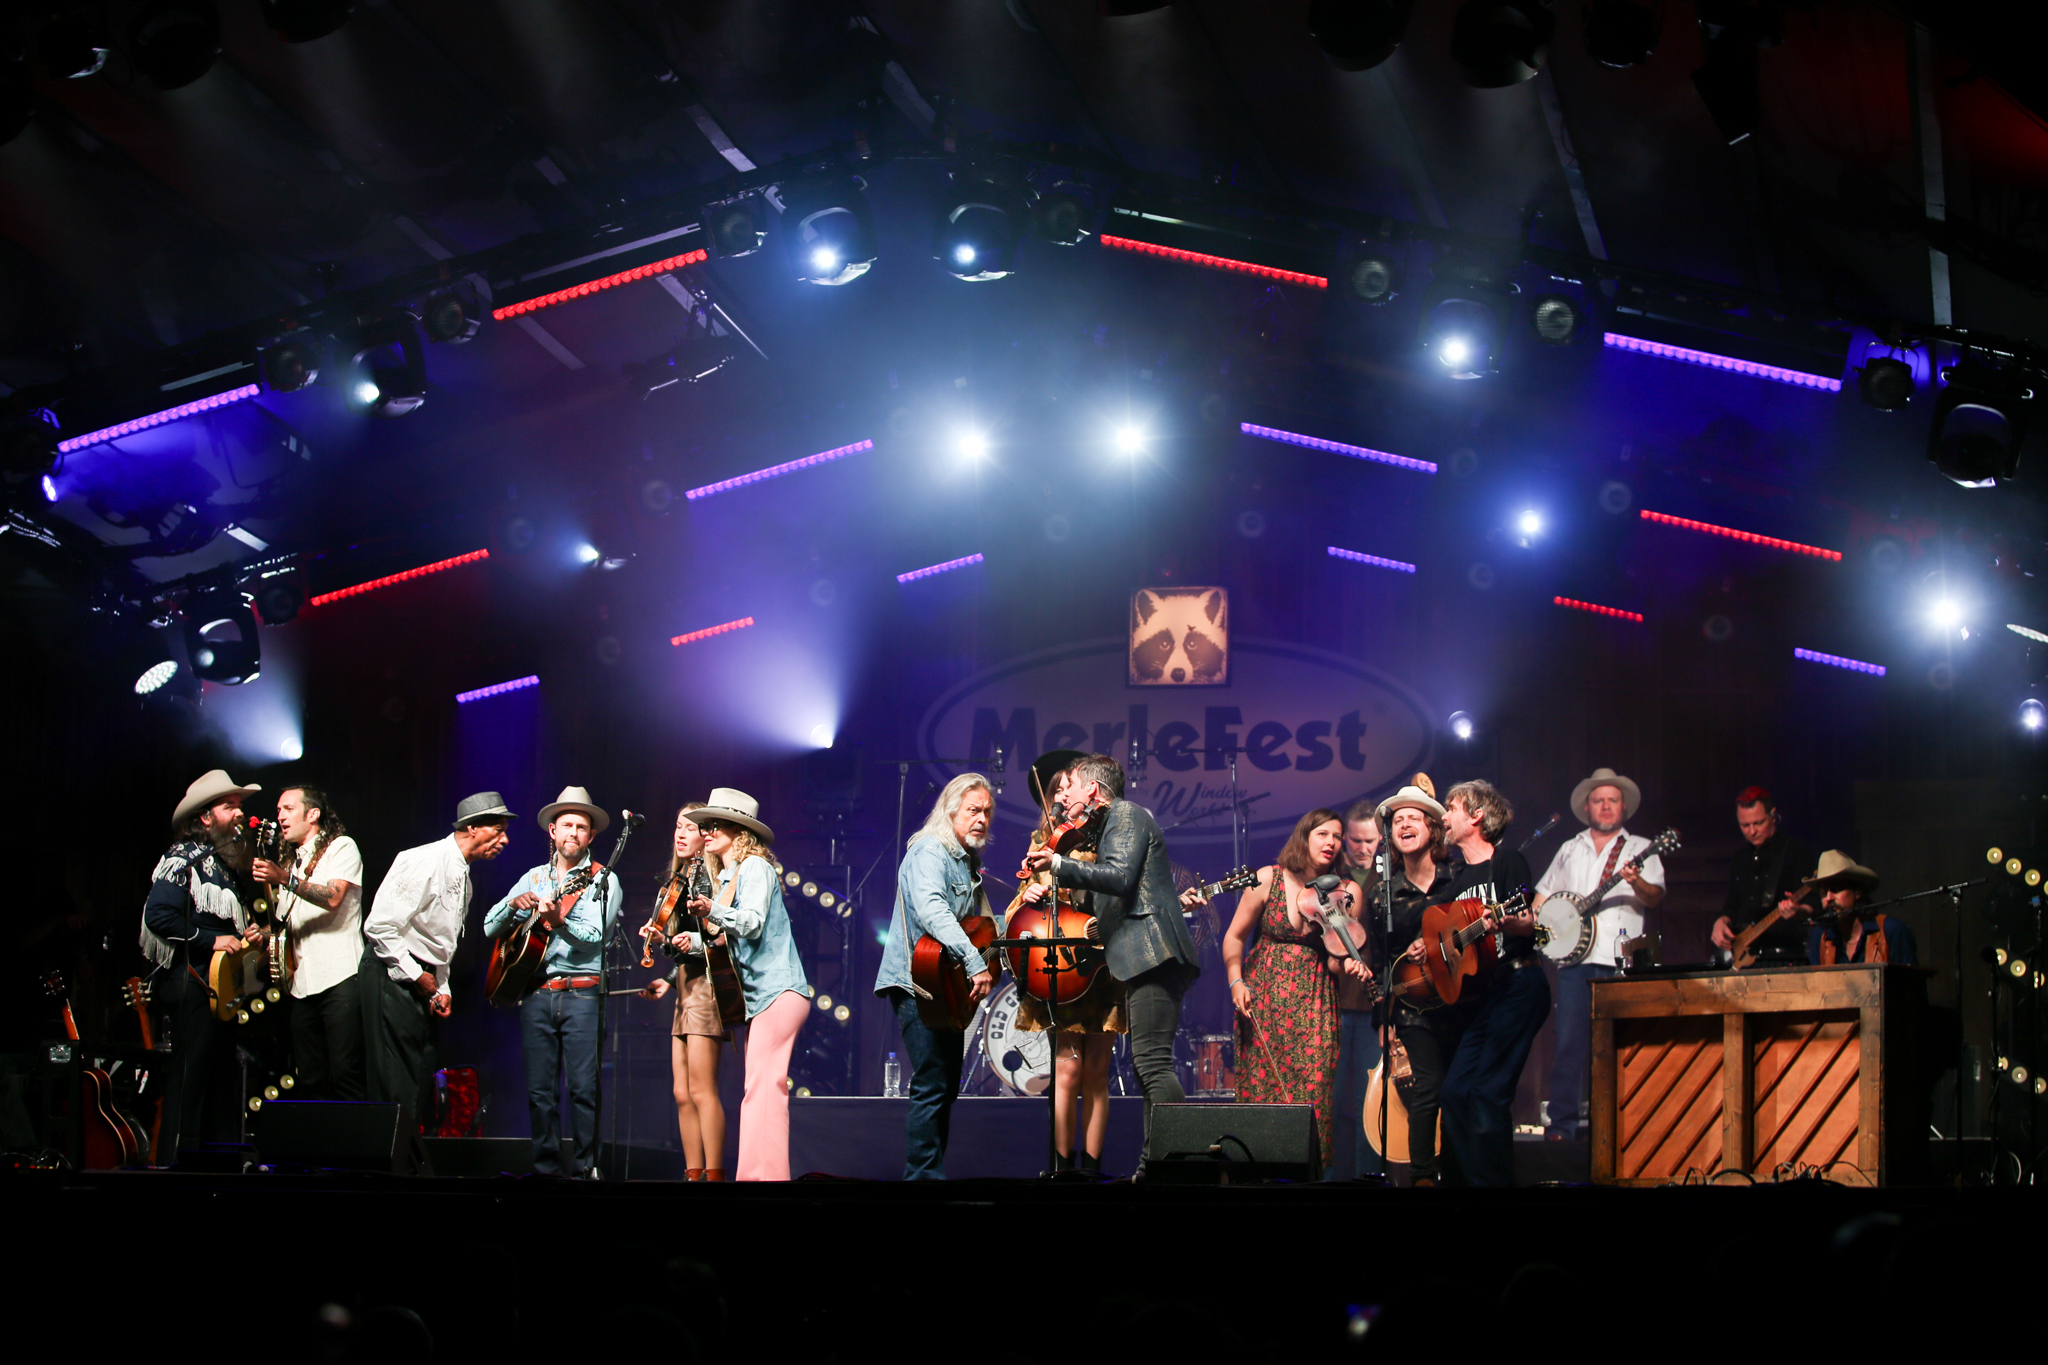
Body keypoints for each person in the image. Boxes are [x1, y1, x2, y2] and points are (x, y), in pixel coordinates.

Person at [1023, 752, 1204, 1166]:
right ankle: (1153, 1163)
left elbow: (1120, 877)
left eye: (1068, 787)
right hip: (1142, 957)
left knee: (1154, 1065)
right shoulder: (1107, 826)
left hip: (1154, 955)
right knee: (1146, 1067)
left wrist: (1059, 864)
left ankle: (1179, 1162)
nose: (1062, 796)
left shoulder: (1125, 814)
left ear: (1092, 787)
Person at [484, 787, 624, 1179]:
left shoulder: (603, 881)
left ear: (591, 836)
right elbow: (488, 927)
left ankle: (585, 1172)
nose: (574, 833)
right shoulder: (533, 878)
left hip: (582, 994)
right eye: (567, 825)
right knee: (539, 1093)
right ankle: (546, 1171)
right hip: (537, 994)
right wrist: (514, 904)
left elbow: (596, 936)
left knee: (583, 1090)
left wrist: (559, 922)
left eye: (582, 827)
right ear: (552, 831)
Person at [1222, 807, 1370, 1174]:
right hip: (1262, 1001)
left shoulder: (1347, 892)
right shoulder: (1268, 878)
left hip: (1315, 1006)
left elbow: (1337, 960)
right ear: (1304, 836)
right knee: (1260, 1101)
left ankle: (1308, 1187)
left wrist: (1348, 964)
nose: (1332, 843)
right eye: (1324, 834)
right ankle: (1253, 1184)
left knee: (1313, 1102)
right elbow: (1234, 936)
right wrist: (1236, 980)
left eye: (1337, 837)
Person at [363, 792, 513, 1127]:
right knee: (395, 1080)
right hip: (392, 973)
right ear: (472, 828)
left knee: (419, 1077)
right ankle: (389, 1169)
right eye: (498, 830)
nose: (505, 840)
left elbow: (442, 942)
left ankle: (411, 1160)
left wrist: (441, 986)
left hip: (421, 979)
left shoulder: (465, 877)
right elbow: (380, 926)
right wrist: (417, 976)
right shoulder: (425, 860)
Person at [1013, 751, 1132, 1176]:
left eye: (1070, 786)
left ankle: (1093, 1170)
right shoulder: (1044, 840)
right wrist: (1027, 896)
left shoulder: (1111, 834)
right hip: (1061, 965)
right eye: (1059, 789)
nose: (1064, 796)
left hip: (1101, 964)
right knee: (1066, 1070)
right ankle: (1064, 1171)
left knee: (1097, 1073)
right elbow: (1020, 906)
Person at [1531, 767, 1665, 1141]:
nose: (1605, 806)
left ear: (1623, 807)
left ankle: (1624, 1129)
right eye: (1598, 800)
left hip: (1623, 962)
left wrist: (1635, 879)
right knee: (1570, 1044)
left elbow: (1656, 896)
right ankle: (1562, 1128)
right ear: (1587, 807)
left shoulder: (1641, 847)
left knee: (1622, 1046)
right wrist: (1542, 939)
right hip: (1575, 964)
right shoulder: (1569, 849)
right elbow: (1542, 899)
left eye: (1612, 800)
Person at [874, 773, 996, 1179]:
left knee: (945, 1084)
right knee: (932, 1081)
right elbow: (932, 911)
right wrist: (975, 963)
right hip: (916, 980)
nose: (982, 818)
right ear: (951, 811)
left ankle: (930, 1173)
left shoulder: (967, 861)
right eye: (973, 810)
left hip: (944, 984)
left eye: (987, 812)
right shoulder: (930, 851)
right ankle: (921, 1180)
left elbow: (983, 925)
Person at [688, 788, 812, 1181]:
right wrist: (682, 940)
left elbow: (752, 922)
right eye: (704, 826)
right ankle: (757, 1177)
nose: (706, 832)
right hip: (763, 997)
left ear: (738, 830)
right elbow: (724, 936)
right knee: (758, 1085)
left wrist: (713, 910)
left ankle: (765, 1180)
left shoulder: (755, 867)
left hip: (780, 991)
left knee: (764, 1085)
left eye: (715, 825)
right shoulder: (729, 876)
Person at [140, 770, 264, 1156]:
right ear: (206, 817)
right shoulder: (184, 857)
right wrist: (213, 940)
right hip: (190, 984)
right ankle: (176, 1167)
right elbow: (158, 915)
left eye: (240, 806)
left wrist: (248, 937)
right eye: (230, 806)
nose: (239, 814)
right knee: (189, 1082)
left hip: (219, 992)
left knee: (220, 1084)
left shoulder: (227, 868)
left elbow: (228, 929)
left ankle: (212, 1166)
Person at [1436, 780, 1543, 1187]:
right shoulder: (1460, 878)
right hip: (1488, 995)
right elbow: (1452, 944)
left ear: (1476, 815)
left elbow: (1530, 922)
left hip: (1521, 984)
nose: (1445, 816)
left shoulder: (1507, 861)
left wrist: (1509, 920)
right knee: (1454, 1093)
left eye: (1452, 807)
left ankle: (1494, 1198)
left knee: (1487, 1094)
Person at [251, 784, 366, 1101]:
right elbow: (292, 921)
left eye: (288, 809)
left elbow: (332, 898)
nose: (280, 817)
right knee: (310, 1078)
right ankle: (319, 1149)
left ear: (312, 814)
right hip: (302, 984)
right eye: (278, 811)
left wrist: (284, 879)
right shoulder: (291, 863)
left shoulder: (341, 847)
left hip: (340, 977)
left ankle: (356, 1149)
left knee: (345, 1074)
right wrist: (261, 934)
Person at [639, 803, 729, 1180]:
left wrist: (676, 943)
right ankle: (692, 1173)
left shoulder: (709, 881)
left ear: (704, 837)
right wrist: (661, 943)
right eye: (677, 826)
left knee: (702, 1088)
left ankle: (714, 1174)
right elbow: (677, 945)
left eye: (690, 828)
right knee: (681, 1091)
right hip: (684, 988)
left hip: (706, 988)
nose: (680, 834)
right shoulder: (677, 881)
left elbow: (714, 938)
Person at [1381, 783, 1463, 1186]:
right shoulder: (1385, 893)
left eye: (1414, 817)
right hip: (1414, 1006)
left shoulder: (1459, 877)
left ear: (1433, 828)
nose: (1405, 824)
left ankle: (1460, 1174)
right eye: (1398, 820)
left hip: (1462, 998)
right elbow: (1380, 957)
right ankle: (1422, 1179)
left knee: (1460, 1088)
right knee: (1427, 1085)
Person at [1334, 800, 1385, 1179]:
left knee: (1370, 1099)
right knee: (1333, 1099)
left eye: (1370, 841)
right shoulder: (1331, 879)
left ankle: (1369, 1178)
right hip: (1333, 1001)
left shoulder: (1388, 879)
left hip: (1373, 1007)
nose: (1362, 848)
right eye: (1355, 840)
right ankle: (1332, 1176)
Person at [1710, 787, 1817, 965]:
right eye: (1745, 825)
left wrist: (1798, 911)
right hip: (1742, 957)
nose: (1752, 831)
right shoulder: (1740, 859)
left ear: (1773, 815)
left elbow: (1814, 902)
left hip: (1783, 955)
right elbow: (1732, 905)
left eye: (1759, 823)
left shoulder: (1795, 850)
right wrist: (1721, 921)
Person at [1802, 851, 1916, 965]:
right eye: (1823, 892)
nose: (1829, 898)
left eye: (1836, 890)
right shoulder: (1821, 935)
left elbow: (1911, 981)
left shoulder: (1891, 930)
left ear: (1857, 892)